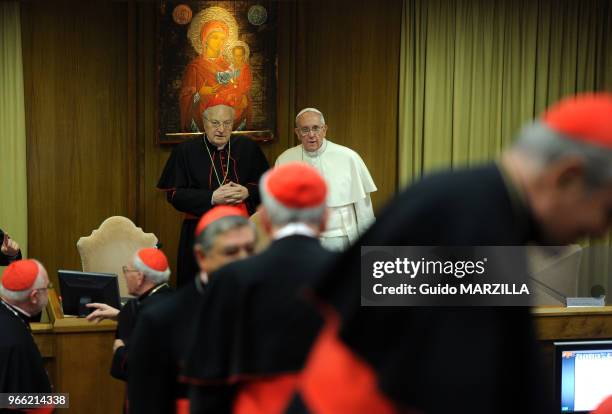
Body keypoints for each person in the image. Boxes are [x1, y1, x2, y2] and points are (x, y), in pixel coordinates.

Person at [286, 93, 612, 414]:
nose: (600, 231)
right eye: (607, 211)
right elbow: (455, 388)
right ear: (567, 177)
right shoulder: (467, 222)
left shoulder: (478, 205)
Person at [182, 162, 338, 414]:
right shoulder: (356, 274)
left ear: (264, 220)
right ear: (325, 218)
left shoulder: (231, 278)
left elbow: (209, 379)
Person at [128, 206, 257, 414]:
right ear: (201, 256)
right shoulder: (161, 319)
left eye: (250, 250)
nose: (244, 260)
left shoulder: (271, 307)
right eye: (231, 252)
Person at [158, 99, 269, 287]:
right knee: (198, 286)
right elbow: (174, 194)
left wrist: (248, 192)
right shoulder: (185, 150)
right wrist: (211, 198)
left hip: (240, 229)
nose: (221, 129)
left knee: (239, 285)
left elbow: (266, 186)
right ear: (204, 122)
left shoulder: (248, 147)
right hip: (199, 230)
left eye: (227, 123)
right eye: (215, 123)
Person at [275, 108, 377, 251]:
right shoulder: (285, 159)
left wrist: (369, 245)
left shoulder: (348, 157)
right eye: (305, 130)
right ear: (297, 133)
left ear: (325, 129)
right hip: (301, 240)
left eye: (316, 128)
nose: (311, 135)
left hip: (340, 238)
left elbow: (364, 209)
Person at [85, 248, 173, 382]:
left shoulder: (134, 309)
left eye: (127, 270)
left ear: (140, 277)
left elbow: (138, 366)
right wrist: (120, 315)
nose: (124, 275)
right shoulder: (175, 298)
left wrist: (120, 351)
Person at [180, 7, 239, 132]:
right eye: (215, 37)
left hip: (226, 121)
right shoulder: (195, 67)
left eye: (223, 39)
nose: (220, 42)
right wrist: (199, 94)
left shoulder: (228, 66)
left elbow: (237, 92)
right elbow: (185, 98)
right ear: (205, 39)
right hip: (203, 119)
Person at [0, 259, 52, 393]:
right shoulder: (17, 344)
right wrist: (62, 400)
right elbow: (14, 402)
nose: (49, 292)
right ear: (34, 297)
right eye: (47, 287)